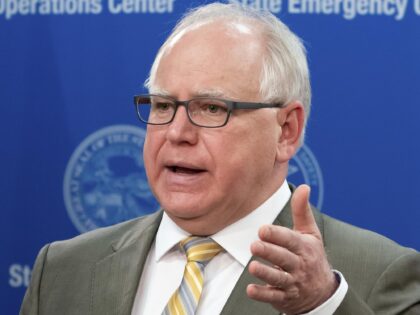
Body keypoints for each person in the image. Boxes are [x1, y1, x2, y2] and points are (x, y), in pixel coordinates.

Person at [20, 2, 420, 315]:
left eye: (211, 108)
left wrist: (320, 306)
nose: (176, 133)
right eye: (162, 105)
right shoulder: (61, 270)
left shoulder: (377, 275)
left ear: (286, 131)